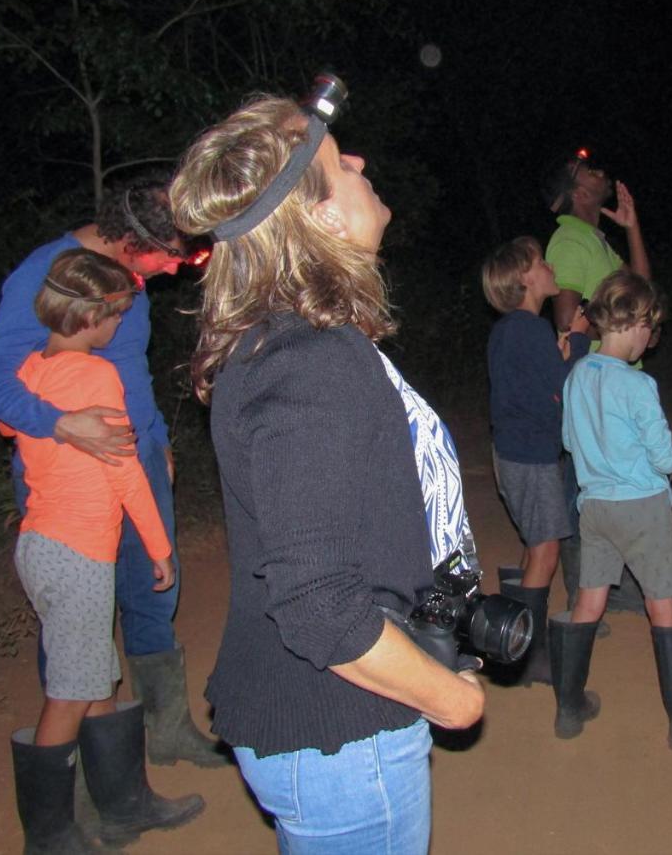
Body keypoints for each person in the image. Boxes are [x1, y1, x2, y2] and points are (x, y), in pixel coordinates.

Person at [169, 80, 485, 854]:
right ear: (319, 216)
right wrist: (452, 700)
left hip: (316, 722)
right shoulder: (312, 361)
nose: (362, 162)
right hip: (340, 733)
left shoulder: (280, 342)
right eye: (342, 164)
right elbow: (316, 603)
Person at [0, 172, 226, 769]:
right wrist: (60, 423)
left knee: (154, 592)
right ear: (132, 240)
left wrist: (156, 440)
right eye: (170, 258)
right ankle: (82, 768)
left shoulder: (124, 280)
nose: (173, 271)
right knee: (77, 614)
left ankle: (164, 730)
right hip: (71, 476)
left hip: (133, 464)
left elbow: (126, 370)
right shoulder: (49, 276)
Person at [6, 249, 204, 851]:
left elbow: (9, 428)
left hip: (41, 545)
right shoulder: (97, 375)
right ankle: (50, 834)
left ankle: (123, 804)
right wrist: (158, 545)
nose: (120, 327)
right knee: (70, 691)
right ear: (90, 316)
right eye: (116, 315)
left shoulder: (29, 371)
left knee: (93, 676)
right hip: (78, 551)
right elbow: (124, 472)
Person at [555, 270, 672, 750]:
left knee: (588, 601)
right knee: (662, 604)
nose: (649, 341)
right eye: (649, 329)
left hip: (594, 507)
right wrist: (669, 461)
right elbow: (665, 457)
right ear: (637, 323)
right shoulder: (637, 386)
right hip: (642, 507)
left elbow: (569, 442)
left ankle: (569, 707)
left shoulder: (577, 375)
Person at [542, 150, 652, 617]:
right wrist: (607, 323)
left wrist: (631, 227)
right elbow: (567, 317)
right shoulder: (570, 243)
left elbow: (642, 290)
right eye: (589, 169)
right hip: (597, 382)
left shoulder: (595, 240)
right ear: (576, 189)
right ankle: (580, 594)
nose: (601, 171)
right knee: (584, 491)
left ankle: (616, 587)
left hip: (619, 381)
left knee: (620, 484)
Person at [482, 236, 590, 685]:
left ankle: (512, 649)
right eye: (541, 262)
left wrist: (559, 355)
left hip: (513, 451)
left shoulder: (510, 329)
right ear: (526, 278)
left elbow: (539, 385)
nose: (549, 267)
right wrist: (580, 342)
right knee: (545, 553)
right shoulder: (528, 328)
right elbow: (564, 391)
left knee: (534, 546)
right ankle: (529, 656)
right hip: (530, 455)